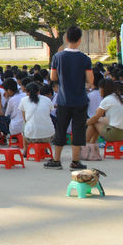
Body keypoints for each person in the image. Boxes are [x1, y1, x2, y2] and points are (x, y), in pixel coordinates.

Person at [47, 26, 93, 170]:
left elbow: (53, 77)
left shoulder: (57, 57)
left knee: (60, 129)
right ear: (80, 40)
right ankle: (75, 161)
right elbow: (90, 80)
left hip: (63, 99)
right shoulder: (85, 59)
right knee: (78, 130)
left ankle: (56, 160)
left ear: (66, 39)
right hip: (80, 99)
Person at [85, 79, 123, 156]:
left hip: (115, 134)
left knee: (94, 122)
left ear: (104, 89)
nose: (99, 90)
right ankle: (91, 145)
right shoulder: (118, 98)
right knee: (99, 121)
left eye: (100, 88)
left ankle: (85, 146)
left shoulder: (107, 99)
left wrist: (86, 123)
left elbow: (96, 117)